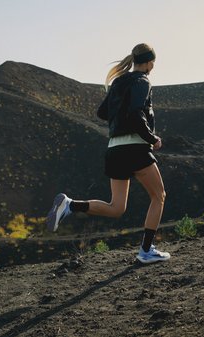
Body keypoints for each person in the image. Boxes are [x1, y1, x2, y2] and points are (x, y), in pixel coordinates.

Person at [46, 43, 170, 264]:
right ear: (150, 61)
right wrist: (153, 138)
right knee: (159, 196)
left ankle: (70, 205)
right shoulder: (142, 81)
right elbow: (135, 113)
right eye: (153, 62)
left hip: (114, 149)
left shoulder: (119, 81)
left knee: (116, 208)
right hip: (135, 149)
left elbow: (102, 112)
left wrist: (120, 110)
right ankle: (146, 250)